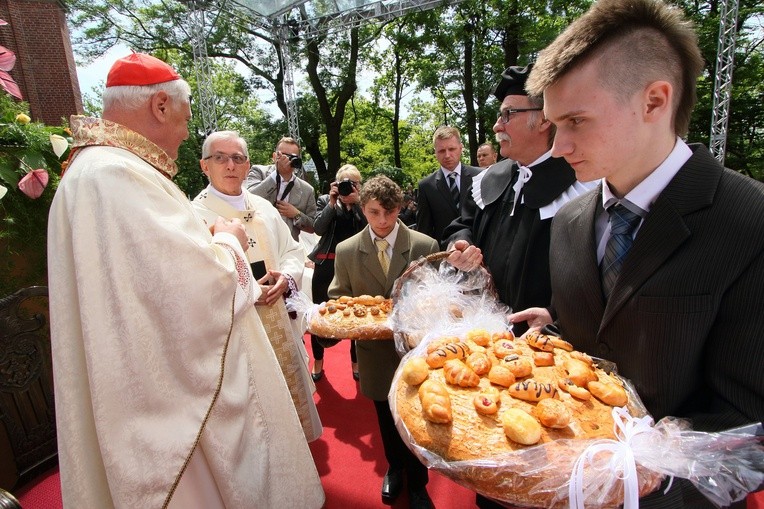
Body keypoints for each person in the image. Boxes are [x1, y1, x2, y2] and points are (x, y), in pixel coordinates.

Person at [510, 0, 764, 505]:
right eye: (554, 124)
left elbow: (748, 422)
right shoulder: (569, 221)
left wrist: (636, 481)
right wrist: (556, 329)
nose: (557, 147)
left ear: (654, 101)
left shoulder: (749, 221)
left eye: (576, 121)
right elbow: (604, 339)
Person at [47, 53, 324, 508]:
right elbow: (196, 288)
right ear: (159, 105)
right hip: (169, 405)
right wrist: (230, 240)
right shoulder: (116, 175)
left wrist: (284, 273)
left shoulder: (98, 171)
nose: (183, 132)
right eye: (184, 118)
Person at [444, 63, 595, 337]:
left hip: (544, 340)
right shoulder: (489, 178)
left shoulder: (583, 185)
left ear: (545, 119)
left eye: (508, 114)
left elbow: (596, 278)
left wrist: (556, 315)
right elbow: (460, 224)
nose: (497, 125)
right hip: (482, 331)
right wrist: (460, 244)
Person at [192, 130, 322, 443]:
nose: (230, 165)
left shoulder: (263, 208)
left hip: (277, 317)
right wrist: (246, 289)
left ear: (248, 164)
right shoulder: (194, 216)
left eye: (238, 158)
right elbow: (196, 278)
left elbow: (293, 250)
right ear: (204, 165)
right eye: (220, 157)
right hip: (236, 330)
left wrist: (287, 278)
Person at [329, 176, 439, 509]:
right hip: (374, 353)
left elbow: (435, 297)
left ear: (401, 208)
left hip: (416, 353)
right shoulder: (347, 250)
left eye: (390, 212)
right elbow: (338, 297)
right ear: (362, 209)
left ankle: (419, 482)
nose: (382, 220)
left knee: (417, 421)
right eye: (374, 212)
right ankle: (394, 467)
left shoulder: (424, 245)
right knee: (385, 419)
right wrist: (359, 319)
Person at [307, 164, 366, 382]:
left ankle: (355, 362)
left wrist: (358, 202)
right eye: (344, 182)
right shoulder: (326, 201)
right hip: (326, 266)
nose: (348, 187)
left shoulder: (363, 203)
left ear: (359, 185)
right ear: (335, 183)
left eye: (353, 183)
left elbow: (370, 228)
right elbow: (318, 228)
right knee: (319, 315)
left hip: (354, 266)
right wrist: (333, 203)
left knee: (356, 314)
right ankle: (319, 360)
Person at [416, 126, 481, 243]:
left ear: (461, 148)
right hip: (445, 254)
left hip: (480, 249)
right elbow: (424, 231)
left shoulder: (480, 177)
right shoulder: (426, 186)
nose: (447, 155)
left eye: (451, 149)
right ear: (435, 152)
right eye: (441, 151)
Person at [249, 136, 317, 241]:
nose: (287, 160)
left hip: (289, 247)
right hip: (261, 243)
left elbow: (313, 226)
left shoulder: (307, 190)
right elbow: (249, 199)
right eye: (283, 155)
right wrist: (277, 175)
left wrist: (296, 214)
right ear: (274, 156)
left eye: (292, 157)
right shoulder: (258, 172)